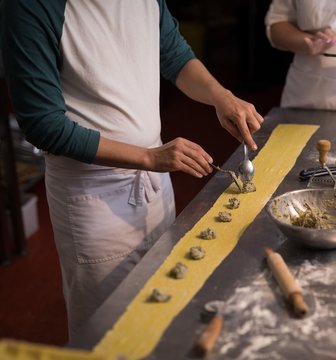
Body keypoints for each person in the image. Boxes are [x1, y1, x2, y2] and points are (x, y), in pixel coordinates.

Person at [1, 0, 264, 339]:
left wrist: (220, 96)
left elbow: (173, 54)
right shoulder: (31, 6)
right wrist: (148, 158)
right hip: (94, 194)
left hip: (155, 173)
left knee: (160, 302)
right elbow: (43, 124)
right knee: (107, 329)